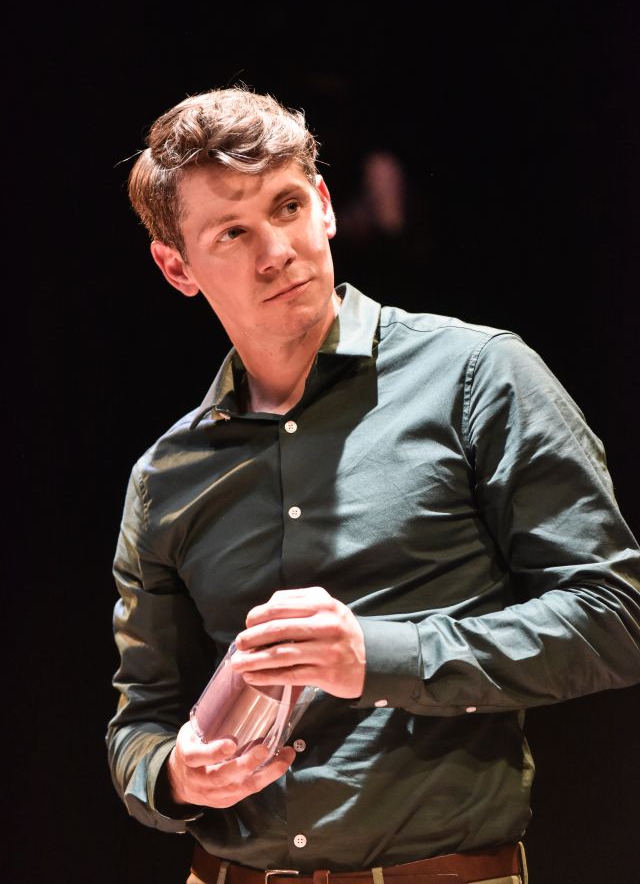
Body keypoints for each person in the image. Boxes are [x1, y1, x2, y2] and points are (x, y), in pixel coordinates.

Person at [108, 87, 640, 884]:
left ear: (324, 206)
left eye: (288, 206)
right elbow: (140, 723)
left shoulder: (476, 376)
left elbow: (615, 618)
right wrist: (175, 775)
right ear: (177, 266)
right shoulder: (166, 475)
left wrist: (378, 656)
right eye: (234, 232)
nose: (276, 250)